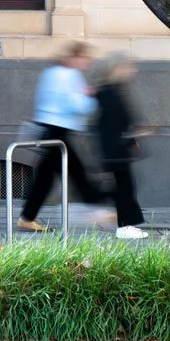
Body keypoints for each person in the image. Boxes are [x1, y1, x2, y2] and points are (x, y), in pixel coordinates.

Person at [16, 42, 113, 232]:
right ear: (75, 58)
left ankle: (27, 217)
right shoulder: (69, 75)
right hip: (58, 130)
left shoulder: (52, 73)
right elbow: (75, 105)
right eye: (86, 60)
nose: (87, 64)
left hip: (50, 128)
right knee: (75, 172)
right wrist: (91, 97)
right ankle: (95, 208)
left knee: (47, 177)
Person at [89, 52, 151, 240]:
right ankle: (121, 225)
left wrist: (132, 139)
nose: (131, 71)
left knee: (125, 188)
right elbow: (106, 125)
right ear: (116, 69)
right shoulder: (107, 92)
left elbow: (122, 121)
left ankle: (125, 224)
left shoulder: (115, 90)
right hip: (114, 150)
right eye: (127, 67)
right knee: (123, 189)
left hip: (118, 148)